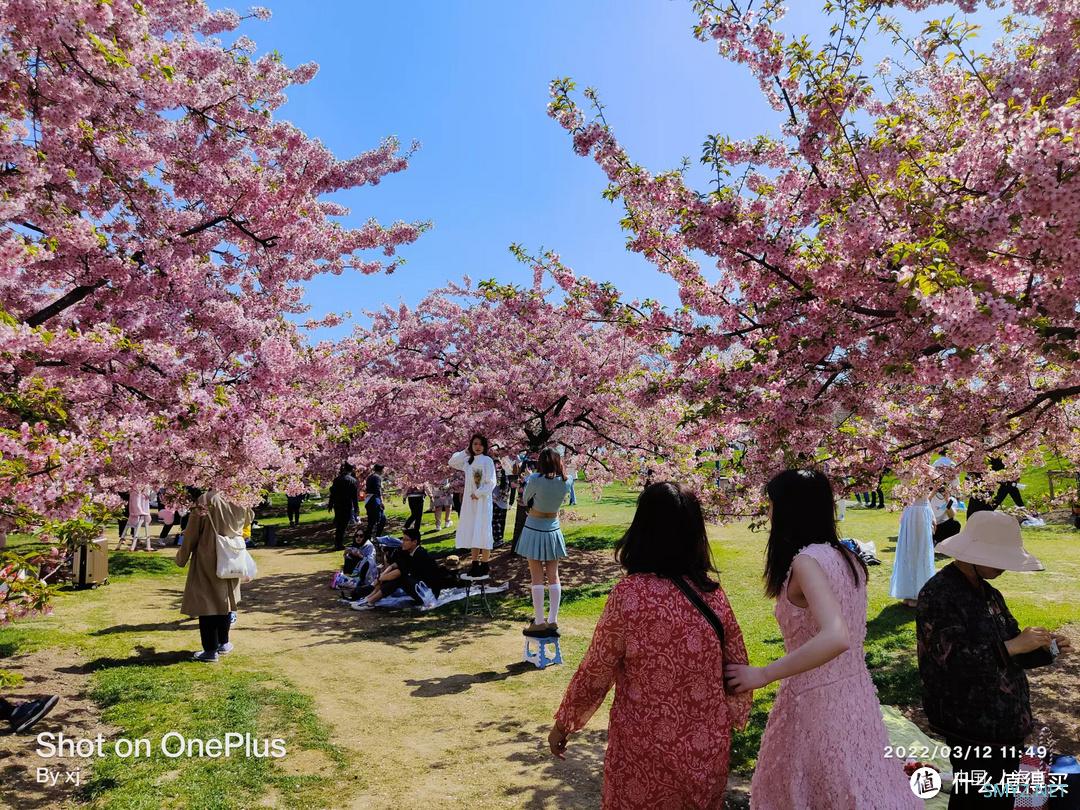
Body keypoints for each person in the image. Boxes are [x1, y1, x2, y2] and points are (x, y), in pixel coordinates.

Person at [549, 482, 751, 808]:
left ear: (642, 529)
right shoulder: (712, 595)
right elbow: (738, 668)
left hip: (642, 754)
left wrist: (565, 723)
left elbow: (596, 670)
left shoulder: (630, 596)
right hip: (705, 753)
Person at [724, 469, 917, 809]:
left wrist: (763, 673)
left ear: (789, 509)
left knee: (822, 790)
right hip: (854, 695)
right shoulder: (848, 558)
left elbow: (836, 636)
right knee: (855, 783)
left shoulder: (808, 562)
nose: (769, 513)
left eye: (772, 505)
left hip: (817, 702)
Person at [917, 511, 1072, 809]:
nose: (1004, 568)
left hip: (1003, 722)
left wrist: (1045, 648)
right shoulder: (939, 595)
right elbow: (951, 662)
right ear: (974, 553)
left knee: (998, 793)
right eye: (998, 558)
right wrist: (1014, 646)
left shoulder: (990, 594)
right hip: (968, 722)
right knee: (976, 795)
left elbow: (1011, 648)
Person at [175, 490, 252, 663]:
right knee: (225, 599)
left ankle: (210, 650)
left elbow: (192, 532)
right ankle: (224, 642)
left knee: (207, 601)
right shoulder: (242, 496)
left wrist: (182, 557)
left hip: (209, 554)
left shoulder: (207, 499)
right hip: (233, 554)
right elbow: (248, 520)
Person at [516, 448, 571, 636]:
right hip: (553, 528)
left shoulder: (534, 480)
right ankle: (553, 620)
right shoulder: (567, 480)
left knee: (537, 576)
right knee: (554, 575)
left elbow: (525, 499)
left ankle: (539, 620)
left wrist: (531, 479)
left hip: (534, 526)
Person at [351, 528, 442, 609]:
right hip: (420, 588)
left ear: (414, 542)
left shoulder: (419, 554)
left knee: (399, 578)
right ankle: (368, 599)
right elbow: (395, 565)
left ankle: (370, 602)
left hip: (429, 593)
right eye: (403, 539)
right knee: (390, 576)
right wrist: (383, 575)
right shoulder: (409, 552)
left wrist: (381, 578)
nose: (403, 542)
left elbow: (400, 572)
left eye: (406, 540)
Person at [449, 434, 496, 578]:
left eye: (480, 444)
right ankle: (474, 564)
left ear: (485, 446)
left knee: (483, 531)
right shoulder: (467, 461)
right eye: (475, 444)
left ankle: (485, 564)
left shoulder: (487, 461)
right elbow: (452, 462)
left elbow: (492, 481)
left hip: (482, 502)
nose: (477, 447)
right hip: (469, 503)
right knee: (473, 530)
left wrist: (479, 493)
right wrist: (465, 451)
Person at [890, 478, 936, 608]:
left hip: (918, 512)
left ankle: (916, 592)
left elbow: (925, 498)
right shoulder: (913, 472)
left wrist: (931, 515)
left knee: (918, 551)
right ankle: (910, 593)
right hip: (915, 513)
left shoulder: (928, 472)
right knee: (911, 551)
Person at [328, 463, 359, 551]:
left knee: (339, 524)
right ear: (351, 470)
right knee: (343, 524)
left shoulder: (337, 479)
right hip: (347, 504)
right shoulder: (353, 480)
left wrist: (330, 504)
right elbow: (354, 496)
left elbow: (333, 492)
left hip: (337, 504)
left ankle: (338, 543)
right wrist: (356, 508)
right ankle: (339, 543)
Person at [363, 464, 387, 542]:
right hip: (374, 500)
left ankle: (369, 538)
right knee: (381, 519)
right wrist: (381, 501)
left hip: (369, 500)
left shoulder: (370, 477)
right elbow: (378, 490)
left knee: (372, 521)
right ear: (381, 470)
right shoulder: (377, 478)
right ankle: (376, 537)